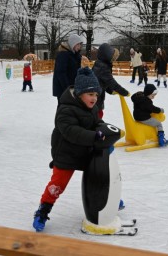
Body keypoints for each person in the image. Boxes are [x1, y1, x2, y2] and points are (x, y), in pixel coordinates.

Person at [33, 67, 105, 232]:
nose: (94, 98)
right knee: (58, 185)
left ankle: (107, 199)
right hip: (66, 153)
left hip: (85, 150)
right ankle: (43, 210)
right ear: (80, 94)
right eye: (90, 94)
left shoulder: (92, 107)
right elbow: (72, 132)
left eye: (96, 94)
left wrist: (103, 129)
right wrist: (94, 136)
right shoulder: (65, 109)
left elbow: (96, 122)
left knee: (99, 174)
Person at [92, 43, 130, 119]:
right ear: (107, 55)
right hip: (95, 96)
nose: (114, 60)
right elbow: (111, 82)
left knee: (98, 114)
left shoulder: (100, 64)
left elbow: (102, 81)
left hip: (96, 95)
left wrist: (110, 91)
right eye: (113, 57)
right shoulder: (103, 67)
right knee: (97, 115)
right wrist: (123, 92)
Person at [52, 34, 83, 104]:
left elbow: (76, 71)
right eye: (78, 44)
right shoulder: (63, 55)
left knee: (69, 110)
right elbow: (61, 73)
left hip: (71, 87)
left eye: (80, 45)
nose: (80, 47)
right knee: (63, 109)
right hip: (63, 89)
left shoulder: (74, 55)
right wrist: (68, 88)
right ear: (73, 44)